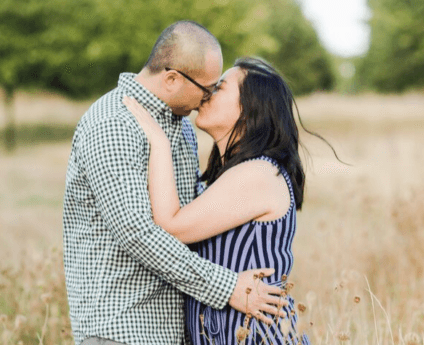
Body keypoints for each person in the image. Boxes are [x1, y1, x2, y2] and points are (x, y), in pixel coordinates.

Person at [62, 21, 287, 345]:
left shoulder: (180, 126)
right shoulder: (114, 124)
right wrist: (228, 287)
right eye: (207, 88)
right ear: (172, 79)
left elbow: (187, 218)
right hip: (123, 328)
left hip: (172, 330)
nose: (207, 98)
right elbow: (139, 234)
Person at [123, 57, 321, 344]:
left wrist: (159, 141)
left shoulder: (258, 173)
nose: (205, 93)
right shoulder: (233, 175)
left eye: (218, 89)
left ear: (249, 109)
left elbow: (170, 227)